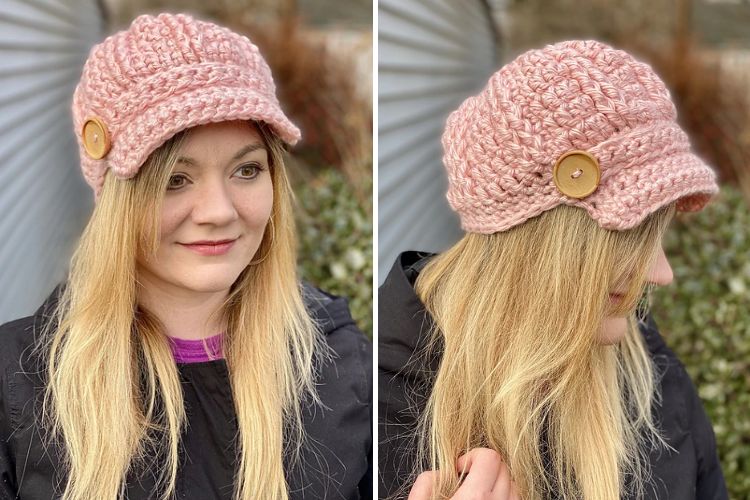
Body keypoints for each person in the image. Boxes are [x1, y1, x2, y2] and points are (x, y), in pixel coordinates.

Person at [0, 13, 371, 500]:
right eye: (175, 179)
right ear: (117, 199)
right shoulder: (18, 383)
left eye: (246, 170)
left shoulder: (342, 364)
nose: (218, 212)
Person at [379, 40, 727, 500]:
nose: (661, 275)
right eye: (630, 236)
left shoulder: (646, 366)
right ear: (542, 241)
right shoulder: (376, 401)